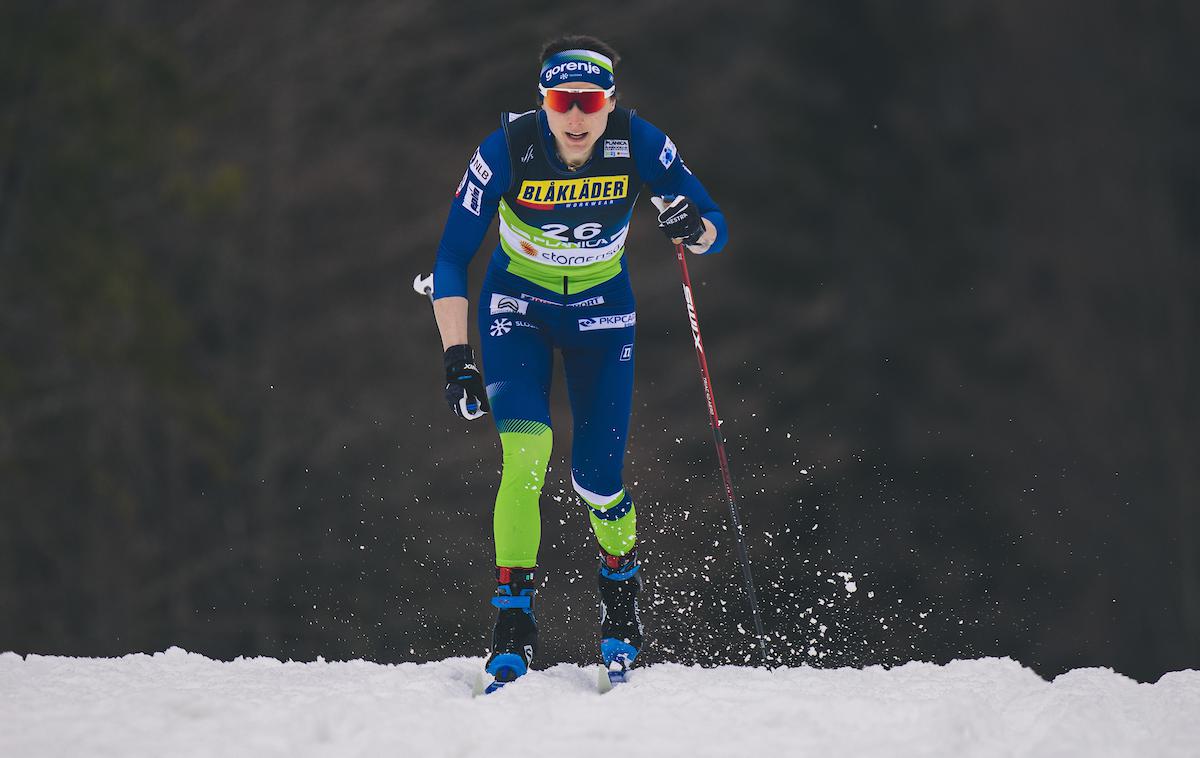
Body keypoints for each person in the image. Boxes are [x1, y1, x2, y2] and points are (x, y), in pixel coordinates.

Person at [430, 34, 728, 689]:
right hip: (518, 312)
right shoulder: (507, 149)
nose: (575, 116)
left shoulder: (640, 142)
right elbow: (451, 259)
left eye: (588, 101)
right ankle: (512, 623)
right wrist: (458, 359)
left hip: (600, 316)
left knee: (596, 481)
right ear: (542, 101)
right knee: (526, 456)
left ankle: (621, 599)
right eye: (561, 101)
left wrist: (690, 228)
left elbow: (713, 226)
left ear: (609, 101)